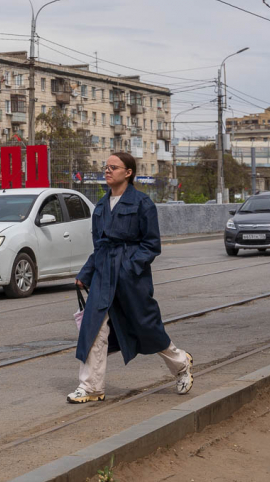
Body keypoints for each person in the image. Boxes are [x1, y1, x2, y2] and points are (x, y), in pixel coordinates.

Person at [68, 152, 193, 404]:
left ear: (128, 173)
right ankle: (91, 386)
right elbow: (100, 246)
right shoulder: (100, 207)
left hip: (130, 278)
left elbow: (151, 245)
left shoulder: (142, 203)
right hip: (103, 275)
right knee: (94, 329)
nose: (107, 171)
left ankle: (181, 364)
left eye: (113, 167)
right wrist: (86, 273)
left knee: (146, 327)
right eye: (106, 167)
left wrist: (128, 267)